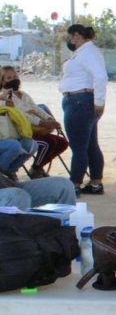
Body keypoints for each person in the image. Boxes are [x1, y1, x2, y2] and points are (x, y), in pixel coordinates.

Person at [60, 24, 107, 196]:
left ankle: (75, 184)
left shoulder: (87, 52)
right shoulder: (86, 52)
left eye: (72, 37)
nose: (71, 41)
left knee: (79, 146)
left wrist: (100, 101)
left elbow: (101, 76)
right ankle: (95, 182)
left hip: (79, 101)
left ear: (78, 36)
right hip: (81, 100)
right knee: (90, 145)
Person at [1, 66, 69, 177]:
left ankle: (37, 167)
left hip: (36, 129)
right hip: (23, 132)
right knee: (47, 143)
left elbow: (37, 109)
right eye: (9, 78)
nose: (13, 80)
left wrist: (49, 119)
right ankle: (29, 170)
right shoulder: (5, 97)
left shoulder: (23, 94)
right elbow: (22, 114)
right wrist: (42, 123)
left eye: (15, 76)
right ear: (2, 81)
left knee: (62, 143)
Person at [0, 171, 77, 210]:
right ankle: (17, 239)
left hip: (7, 184)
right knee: (16, 196)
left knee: (63, 185)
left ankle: (64, 234)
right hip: (11, 194)